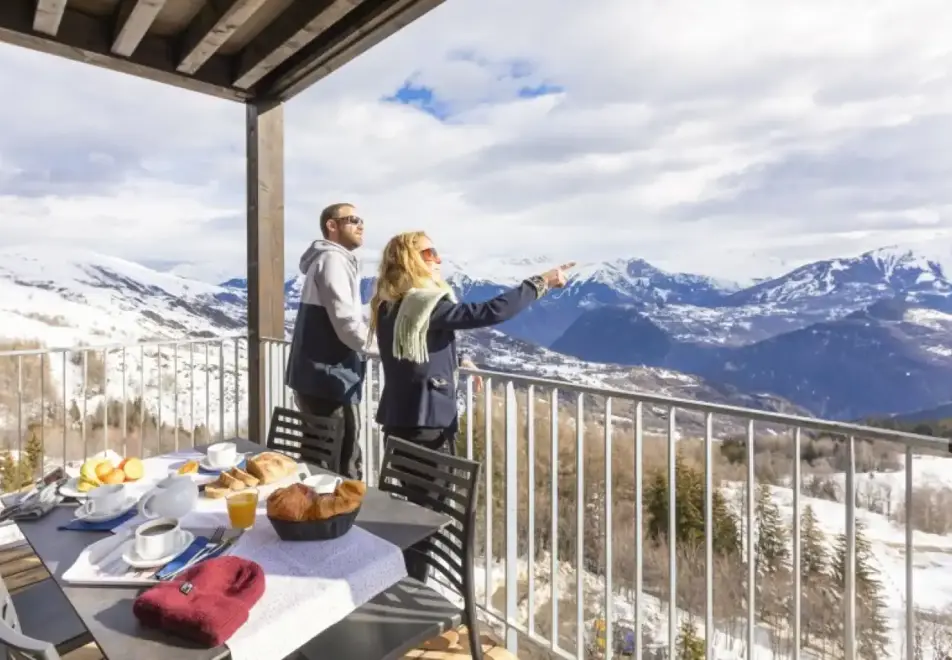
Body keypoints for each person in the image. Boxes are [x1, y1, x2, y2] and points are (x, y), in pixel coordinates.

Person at [368, 230, 573, 580]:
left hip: (400, 421)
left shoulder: (391, 305)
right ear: (411, 259)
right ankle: (414, 595)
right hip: (426, 425)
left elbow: (419, 352)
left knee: (411, 514)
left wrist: (458, 359)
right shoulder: (422, 304)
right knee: (426, 519)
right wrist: (539, 283)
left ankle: (404, 585)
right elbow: (489, 312)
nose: (439, 259)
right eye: (430, 252)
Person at [285, 203, 371, 480]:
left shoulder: (327, 260)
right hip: (330, 377)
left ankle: (313, 514)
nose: (361, 226)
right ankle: (334, 518)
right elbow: (346, 322)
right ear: (332, 226)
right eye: (353, 219)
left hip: (315, 376)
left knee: (318, 454)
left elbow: (343, 314)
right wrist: (385, 349)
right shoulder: (333, 260)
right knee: (337, 461)